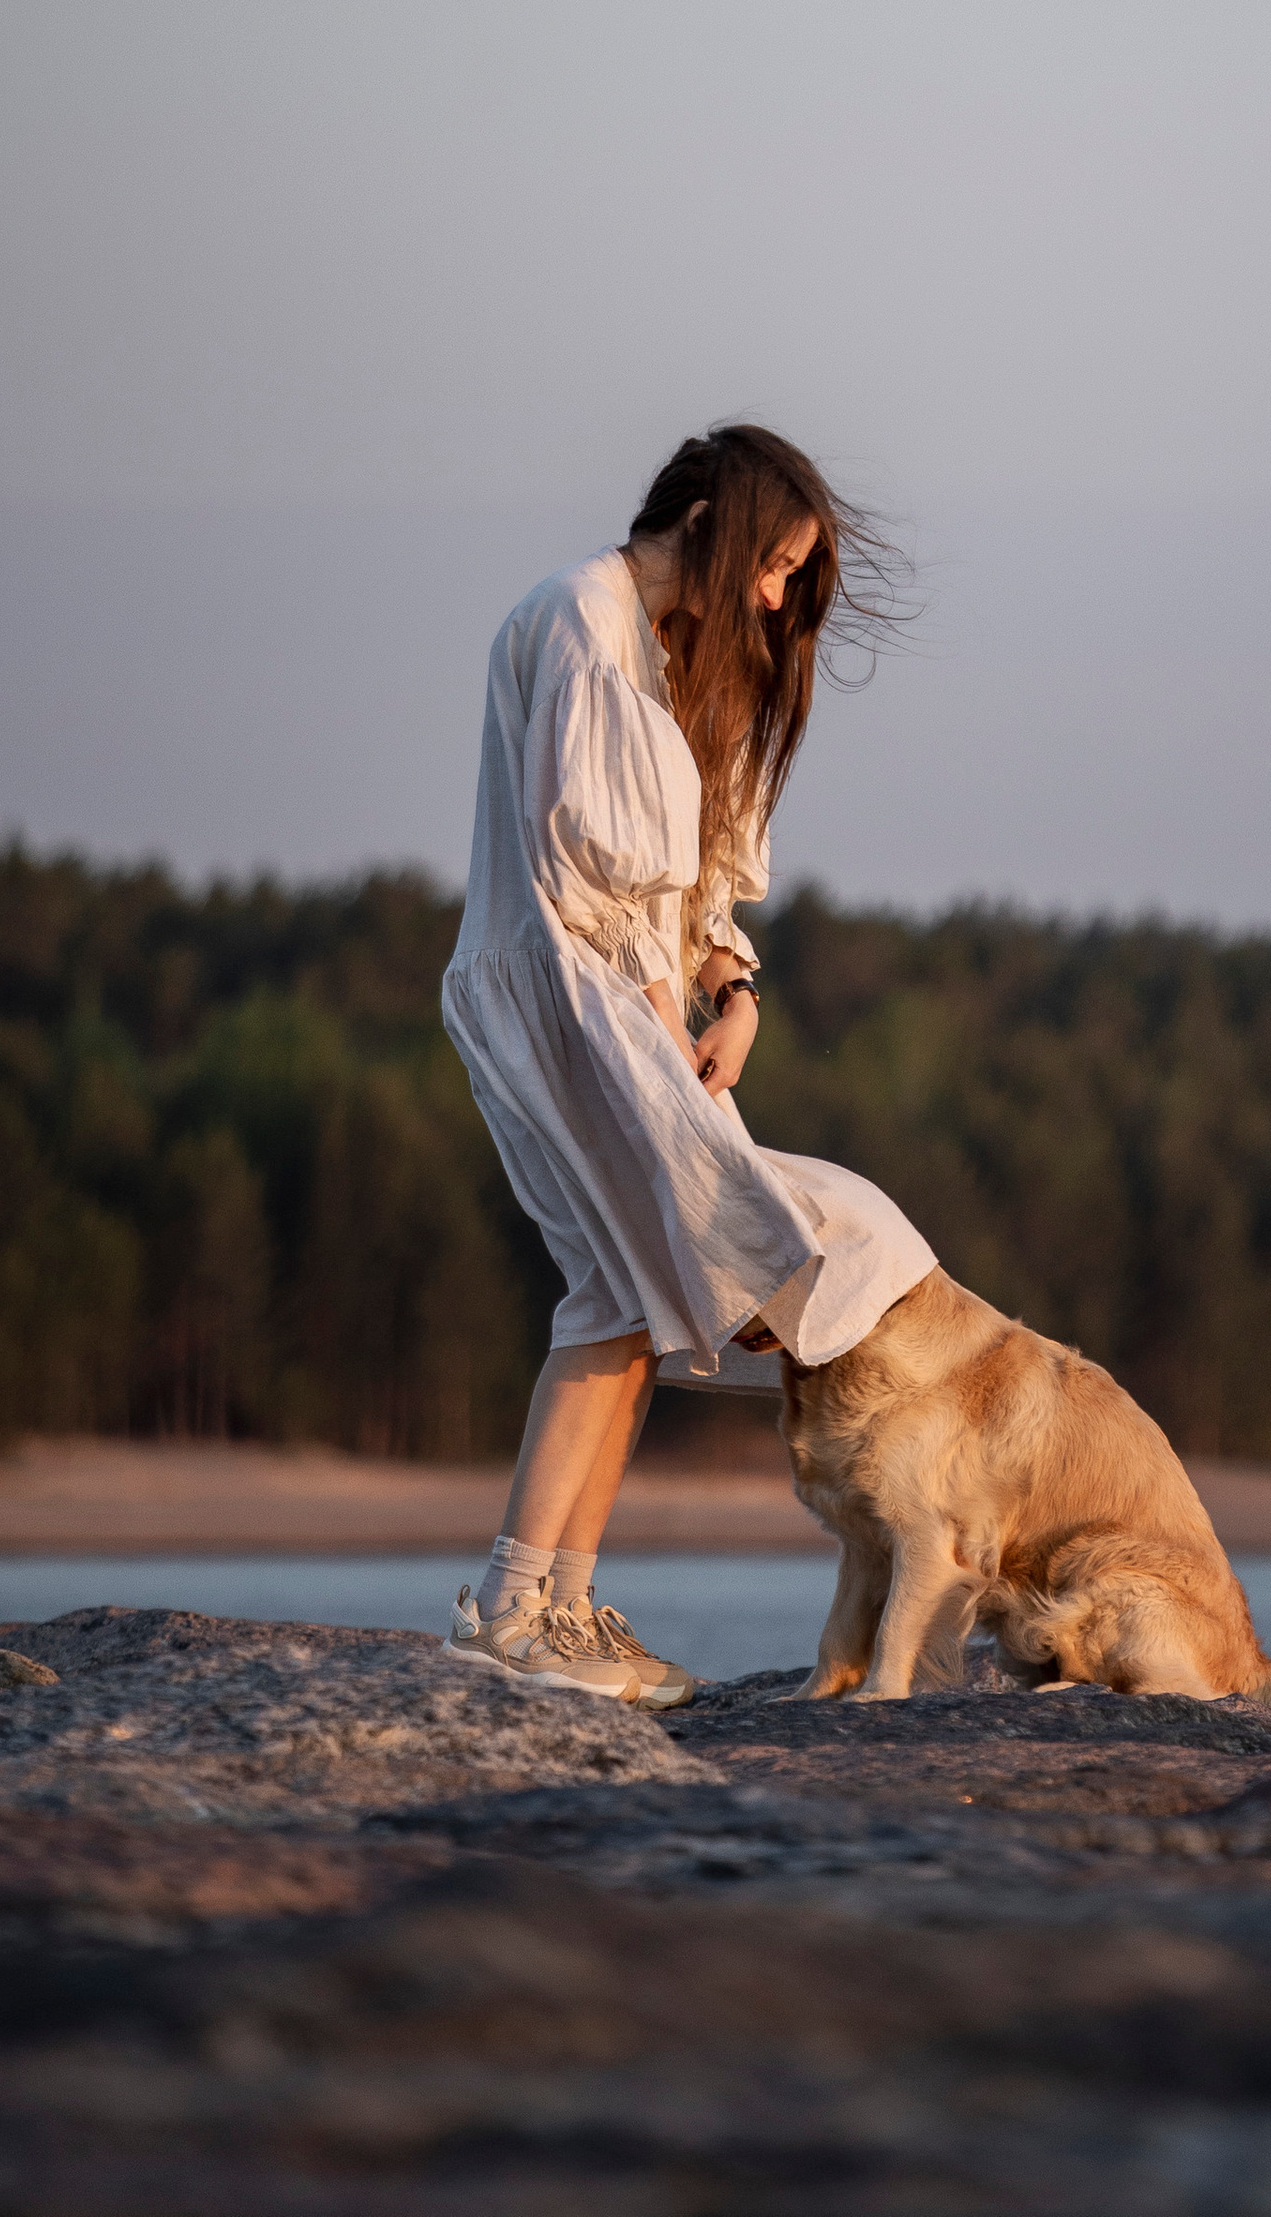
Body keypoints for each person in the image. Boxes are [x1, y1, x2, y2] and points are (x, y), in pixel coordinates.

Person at [439, 423, 933, 1704]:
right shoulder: (581, 620)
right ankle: (513, 1610)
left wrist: (731, 983)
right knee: (616, 1290)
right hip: (567, 994)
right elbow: (590, 875)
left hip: (620, 996)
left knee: (638, 1299)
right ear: (708, 517)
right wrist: (660, 1013)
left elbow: (682, 873)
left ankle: (561, 1604)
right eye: (772, 565)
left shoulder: (658, 656)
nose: (774, 598)